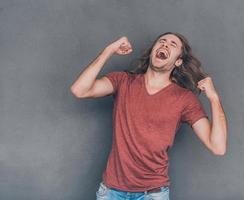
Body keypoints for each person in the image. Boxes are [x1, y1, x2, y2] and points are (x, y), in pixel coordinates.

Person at [70, 32, 228, 200]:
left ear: (178, 61)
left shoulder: (184, 99)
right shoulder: (123, 81)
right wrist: (109, 50)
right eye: (162, 41)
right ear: (153, 51)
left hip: (153, 194)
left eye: (172, 44)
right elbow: (79, 90)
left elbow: (218, 147)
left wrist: (214, 99)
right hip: (111, 192)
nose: (165, 45)